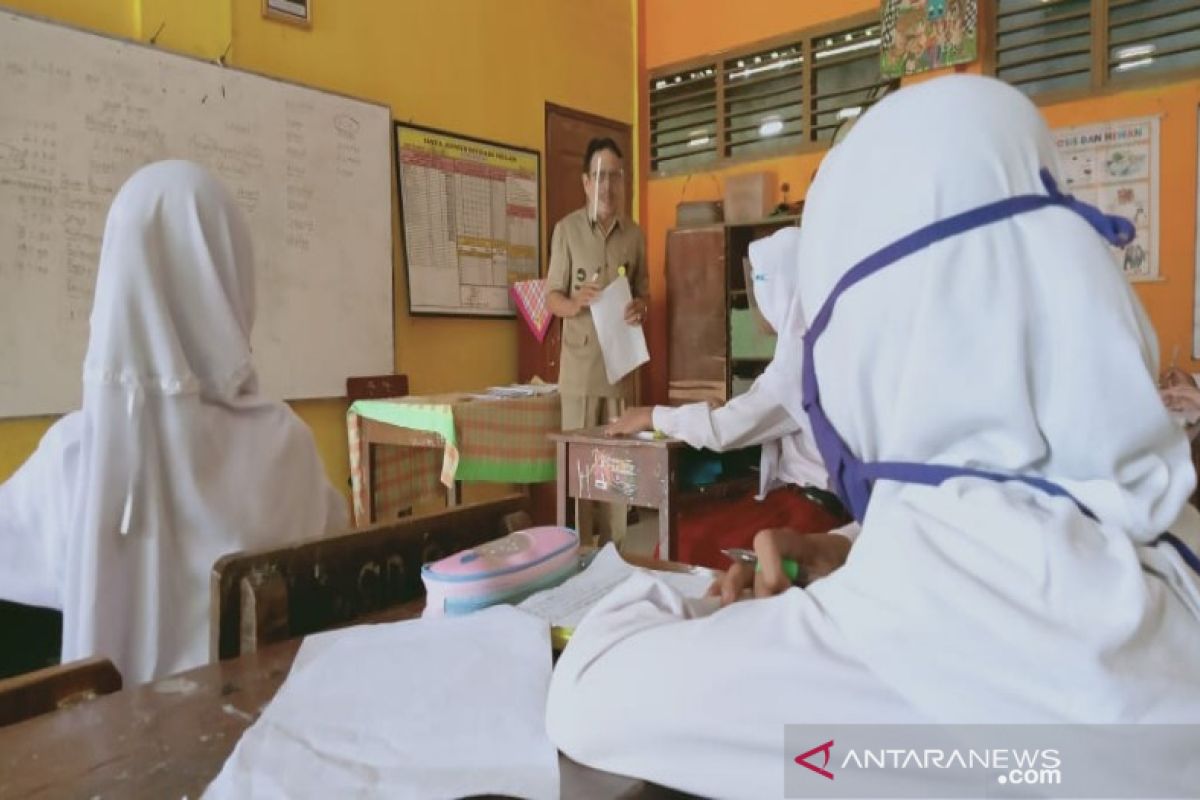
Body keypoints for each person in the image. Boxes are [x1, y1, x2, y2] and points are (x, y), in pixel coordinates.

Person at [546, 76, 1200, 798]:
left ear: (870, 340)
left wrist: (696, 602)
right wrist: (855, 548)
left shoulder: (892, 626)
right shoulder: (1166, 530)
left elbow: (588, 693)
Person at [0, 161, 348, 685]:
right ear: (232, 274)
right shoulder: (286, 443)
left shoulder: (73, 457)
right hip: (264, 734)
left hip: (105, 757)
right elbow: (336, 547)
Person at [604, 226, 855, 568]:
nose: (757, 301)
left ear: (782, 288)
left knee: (685, 539)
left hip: (812, 509)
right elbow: (760, 408)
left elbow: (727, 429)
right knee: (695, 525)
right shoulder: (815, 343)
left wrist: (651, 416)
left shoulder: (798, 360)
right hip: (811, 499)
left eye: (761, 285)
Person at [545, 137, 648, 547]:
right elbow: (551, 297)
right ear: (586, 182)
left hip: (621, 373)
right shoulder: (566, 231)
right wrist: (574, 302)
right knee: (581, 475)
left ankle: (616, 556)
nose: (608, 187)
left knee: (616, 477)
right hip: (580, 377)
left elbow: (646, 294)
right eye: (601, 177)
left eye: (616, 177)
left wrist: (641, 307)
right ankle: (578, 558)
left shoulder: (634, 235)